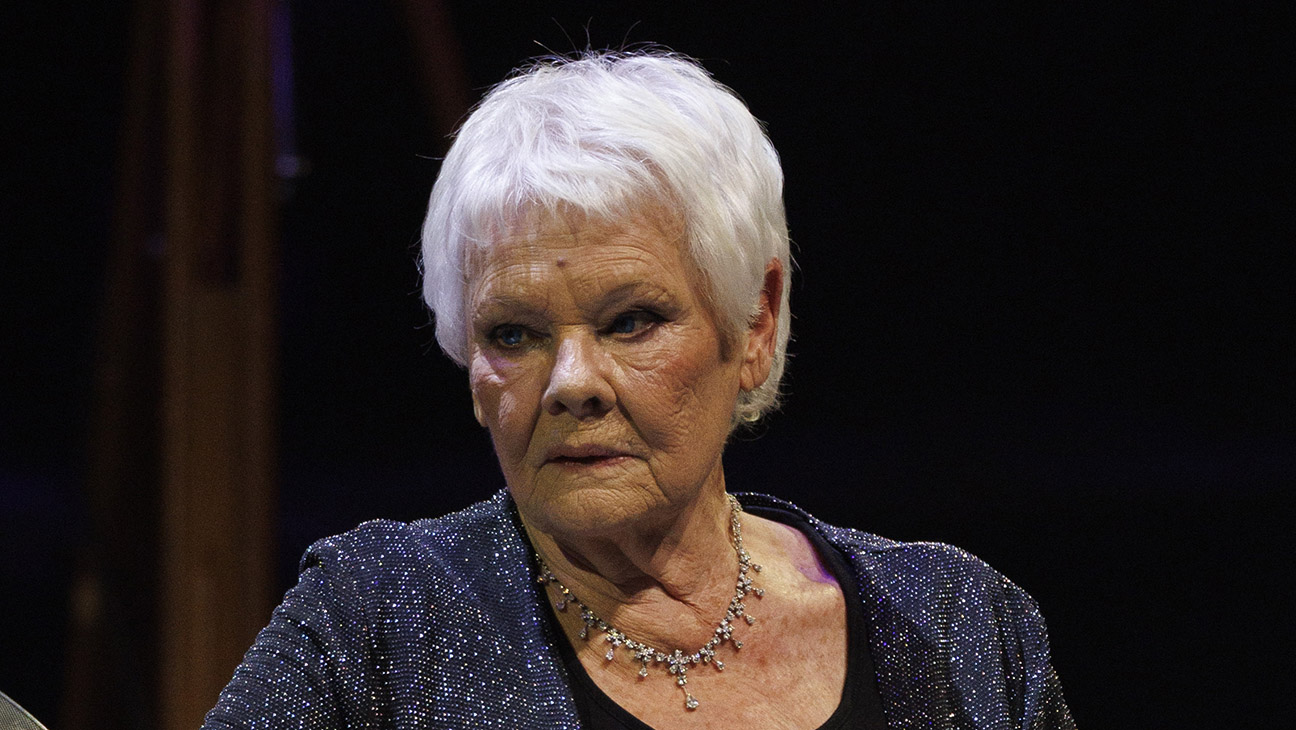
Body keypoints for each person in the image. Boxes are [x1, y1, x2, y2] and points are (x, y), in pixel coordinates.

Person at [203, 50, 1075, 729]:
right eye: (514, 334)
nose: (571, 384)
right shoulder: (378, 624)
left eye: (630, 321)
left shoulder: (958, 626)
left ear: (755, 323)